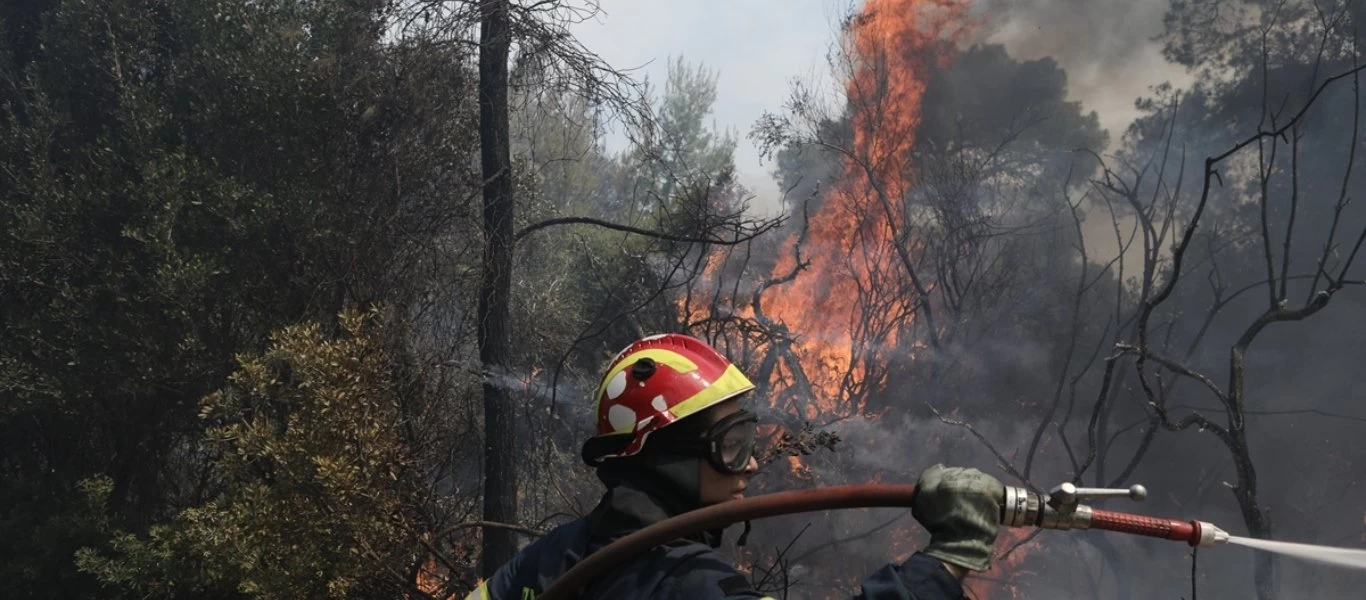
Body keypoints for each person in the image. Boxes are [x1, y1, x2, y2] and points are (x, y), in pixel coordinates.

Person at [465, 334, 1003, 599]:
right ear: (666, 459)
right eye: (730, 444)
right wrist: (944, 563)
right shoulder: (686, 583)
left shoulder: (553, 556)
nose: (747, 468)